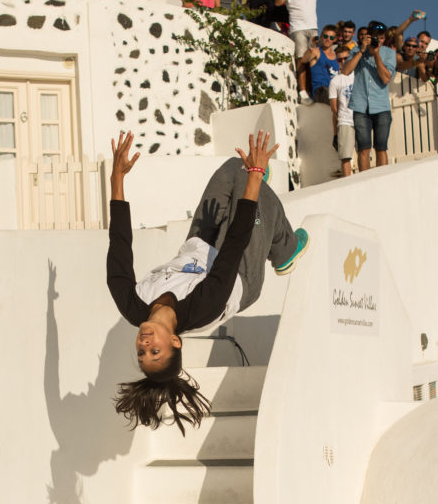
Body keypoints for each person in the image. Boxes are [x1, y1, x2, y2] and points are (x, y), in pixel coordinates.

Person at [108, 130, 310, 435]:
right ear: (175, 342)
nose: (145, 345)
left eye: (141, 353)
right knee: (254, 192)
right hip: (240, 271)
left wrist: (116, 179)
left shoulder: (132, 303)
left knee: (232, 169)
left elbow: (120, 244)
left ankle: (251, 181)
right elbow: (235, 245)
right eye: (155, 352)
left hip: (198, 248)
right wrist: (255, 177)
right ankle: (285, 249)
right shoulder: (202, 307)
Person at [341, 21, 396, 172]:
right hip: (360, 105)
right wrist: (361, 51)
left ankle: (382, 179)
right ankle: (364, 180)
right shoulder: (358, 50)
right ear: (368, 37)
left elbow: (386, 78)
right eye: (376, 37)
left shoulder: (389, 53)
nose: (379, 40)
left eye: (382, 38)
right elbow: (345, 71)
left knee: (381, 147)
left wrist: (376, 53)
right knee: (363, 148)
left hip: (381, 106)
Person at [276, 0, 319, 98]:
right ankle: (302, 91)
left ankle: (314, 89)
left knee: (314, 59)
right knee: (301, 58)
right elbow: (278, 2)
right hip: (297, 28)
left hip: (312, 27)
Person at [329, 45, 355, 178]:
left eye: (346, 58)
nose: (343, 62)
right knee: (345, 157)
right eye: (340, 60)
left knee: (365, 153)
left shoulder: (359, 75)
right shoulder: (335, 81)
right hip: (344, 120)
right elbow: (334, 108)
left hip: (361, 118)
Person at [298, 24, 340, 104]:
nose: (328, 39)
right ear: (321, 37)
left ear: (334, 40)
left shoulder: (336, 56)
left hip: (333, 91)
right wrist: (311, 47)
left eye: (331, 38)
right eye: (325, 36)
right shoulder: (316, 51)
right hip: (320, 90)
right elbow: (304, 60)